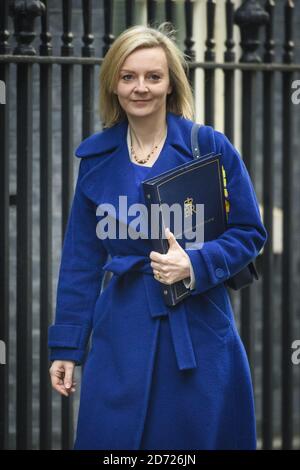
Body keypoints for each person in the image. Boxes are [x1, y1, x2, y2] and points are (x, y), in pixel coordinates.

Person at [48, 23, 267, 450]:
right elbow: (80, 261)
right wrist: (67, 347)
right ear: (114, 84)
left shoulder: (210, 147)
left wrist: (195, 264)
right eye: (128, 77)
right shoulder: (94, 159)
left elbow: (249, 231)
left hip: (199, 329)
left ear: (170, 84)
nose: (140, 88)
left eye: (153, 76)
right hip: (120, 332)